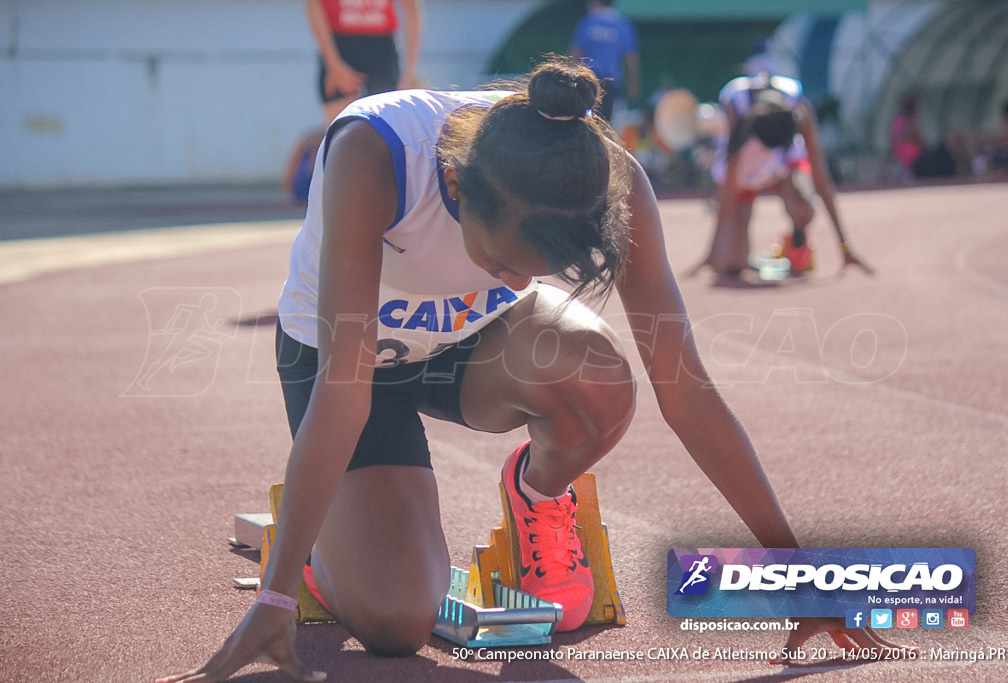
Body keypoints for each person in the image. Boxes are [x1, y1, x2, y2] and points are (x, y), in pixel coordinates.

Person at [158, 57, 910, 682]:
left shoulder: (603, 175)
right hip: (352, 361)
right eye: (508, 262)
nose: (520, 284)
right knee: (396, 621)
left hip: (473, 348)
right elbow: (345, 387)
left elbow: (687, 388)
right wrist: (279, 594)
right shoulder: (374, 153)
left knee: (603, 376)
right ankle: (327, 543)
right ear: (454, 188)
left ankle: (536, 495)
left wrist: (798, 574)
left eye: (539, 272)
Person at [703, 72, 870, 277]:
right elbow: (728, 187)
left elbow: (820, 177)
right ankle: (744, 256)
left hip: (783, 171)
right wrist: (712, 251)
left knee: (803, 209)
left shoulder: (798, 106)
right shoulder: (735, 106)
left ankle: (797, 241)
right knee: (731, 265)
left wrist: (845, 246)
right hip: (744, 174)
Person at [303, 0, 422, 125]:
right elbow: (313, 5)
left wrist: (408, 75)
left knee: (386, 132)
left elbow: (411, 9)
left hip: (382, 49)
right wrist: (334, 65)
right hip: (340, 47)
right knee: (341, 132)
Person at [570, 0, 641, 124]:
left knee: (585, 120)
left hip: (588, 79)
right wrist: (633, 84)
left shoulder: (589, 21)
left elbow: (576, 51)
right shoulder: (622, 23)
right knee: (605, 122)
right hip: (610, 82)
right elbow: (630, 57)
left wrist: (570, 77)